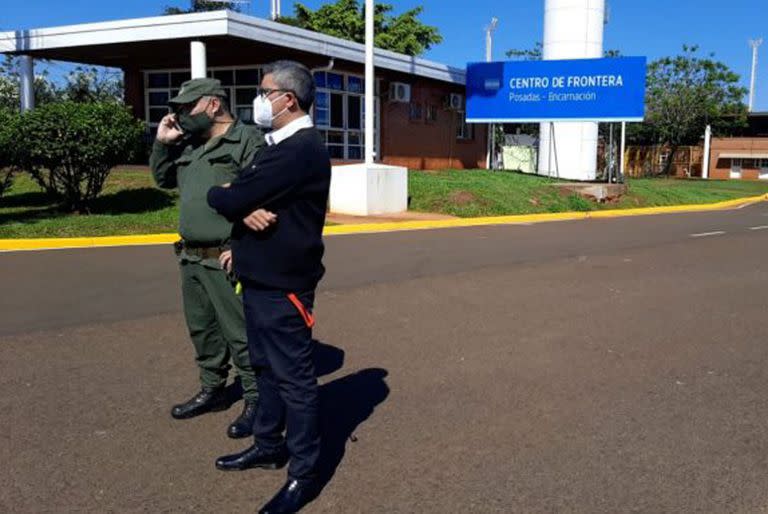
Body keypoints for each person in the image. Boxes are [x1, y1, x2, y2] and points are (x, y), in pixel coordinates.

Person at [207, 60, 331, 514]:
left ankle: (303, 473)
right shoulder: (275, 146)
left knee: (296, 380)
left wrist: (227, 198)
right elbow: (245, 195)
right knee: (263, 367)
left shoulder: (299, 150)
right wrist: (241, 205)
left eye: (265, 92)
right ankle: (267, 443)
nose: (259, 100)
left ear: (288, 100)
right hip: (257, 278)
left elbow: (231, 194)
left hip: (285, 287)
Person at [150, 77, 276, 439]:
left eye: (185, 108)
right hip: (190, 257)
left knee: (240, 334)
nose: (179, 115)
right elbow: (162, 178)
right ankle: (213, 389)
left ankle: (256, 399)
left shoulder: (246, 141)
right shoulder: (189, 143)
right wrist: (163, 144)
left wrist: (242, 247)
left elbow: (266, 197)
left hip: (225, 255)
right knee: (203, 330)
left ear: (212, 105)